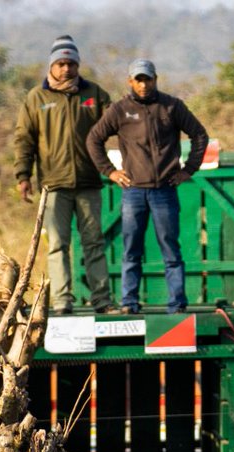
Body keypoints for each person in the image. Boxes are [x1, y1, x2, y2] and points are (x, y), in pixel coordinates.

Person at [86, 58, 208, 314]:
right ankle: (129, 303)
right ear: (130, 81)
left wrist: (188, 170)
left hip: (165, 189)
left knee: (171, 249)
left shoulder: (171, 106)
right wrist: (110, 171)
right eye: (138, 79)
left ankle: (176, 304)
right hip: (134, 192)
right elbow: (94, 139)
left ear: (155, 79)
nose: (143, 84)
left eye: (147, 79)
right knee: (131, 249)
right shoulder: (119, 110)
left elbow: (199, 135)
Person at [14, 34, 114, 315]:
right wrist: (23, 176)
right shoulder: (37, 98)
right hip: (53, 185)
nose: (66, 69)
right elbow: (24, 139)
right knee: (58, 244)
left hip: (88, 182)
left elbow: (117, 124)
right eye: (61, 63)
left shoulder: (94, 94)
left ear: (77, 64)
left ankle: (102, 301)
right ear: (52, 66)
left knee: (94, 242)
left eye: (71, 63)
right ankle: (62, 301)